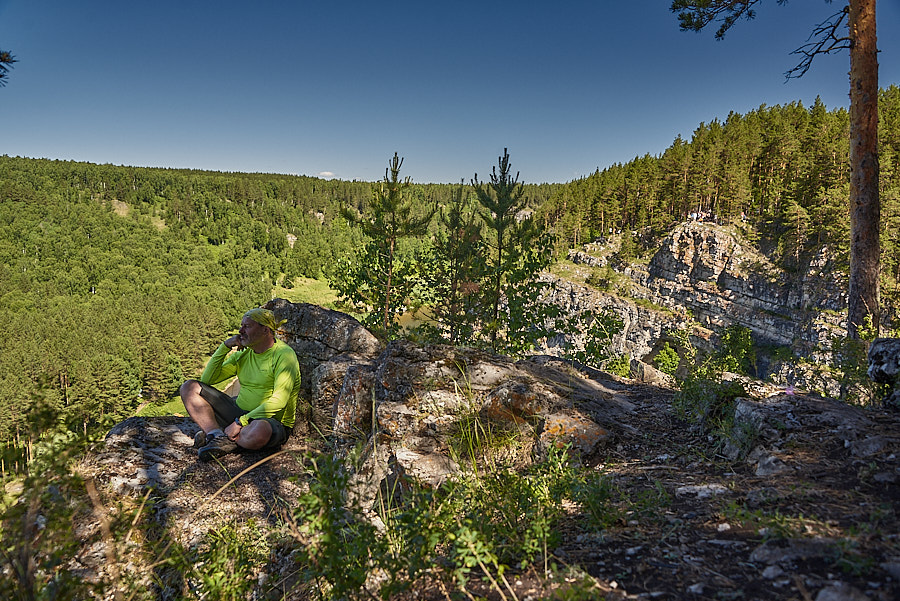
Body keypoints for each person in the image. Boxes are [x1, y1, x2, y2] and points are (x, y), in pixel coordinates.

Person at [180, 307, 301, 462]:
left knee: (259, 431)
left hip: (270, 421)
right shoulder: (244, 354)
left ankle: (227, 438)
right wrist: (224, 346)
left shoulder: (284, 355)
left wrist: (240, 422)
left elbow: (279, 401)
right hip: (238, 413)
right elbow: (208, 379)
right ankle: (216, 435)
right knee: (189, 387)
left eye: (247, 326)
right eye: (242, 325)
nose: (241, 330)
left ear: (265, 330)